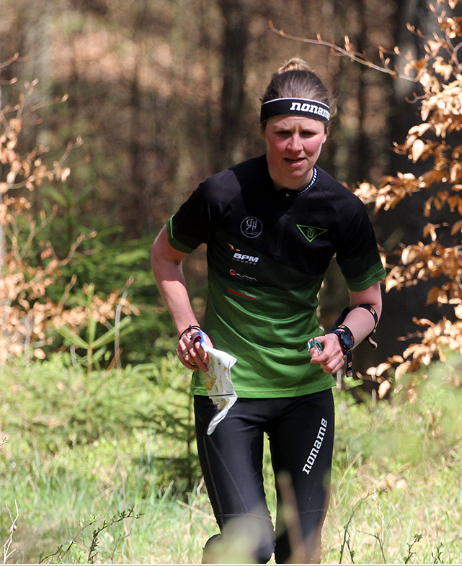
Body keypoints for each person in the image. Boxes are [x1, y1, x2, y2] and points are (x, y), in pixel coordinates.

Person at [150, 58, 385, 564]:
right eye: (282, 132)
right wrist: (189, 328)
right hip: (227, 394)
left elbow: (369, 305)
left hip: (305, 394)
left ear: (325, 134)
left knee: (299, 549)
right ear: (264, 131)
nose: (294, 145)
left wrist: (342, 341)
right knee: (249, 545)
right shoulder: (223, 194)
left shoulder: (342, 209)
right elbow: (164, 256)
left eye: (307, 132)